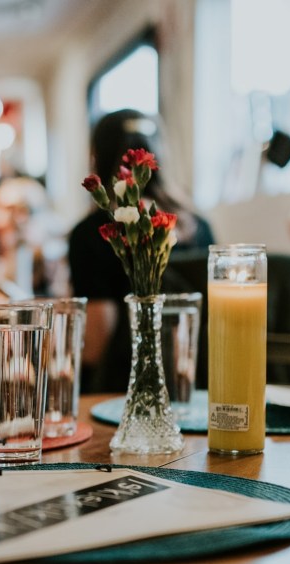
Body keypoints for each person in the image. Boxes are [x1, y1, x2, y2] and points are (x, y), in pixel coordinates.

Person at [68, 109, 215, 393]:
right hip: (197, 388)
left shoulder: (92, 233)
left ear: (96, 156)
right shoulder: (199, 227)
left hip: (122, 395)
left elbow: (96, 348)